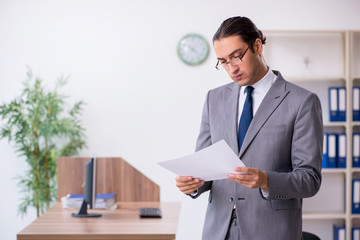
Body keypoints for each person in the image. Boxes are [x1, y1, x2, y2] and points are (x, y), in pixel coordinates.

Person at [175, 16, 323, 240]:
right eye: (223, 61)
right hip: (218, 230)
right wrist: (193, 184)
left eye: (236, 56)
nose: (231, 68)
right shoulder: (214, 99)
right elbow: (204, 166)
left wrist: (266, 181)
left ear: (257, 45)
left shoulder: (302, 101)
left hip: (272, 230)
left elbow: (310, 180)